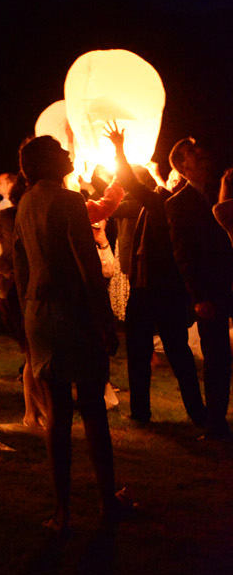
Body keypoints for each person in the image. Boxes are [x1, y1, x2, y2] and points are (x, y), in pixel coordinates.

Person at [13, 134, 131, 533]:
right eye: (61, 152)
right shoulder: (67, 202)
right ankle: (106, 500)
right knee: (94, 409)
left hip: (37, 313)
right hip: (72, 314)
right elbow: (87, 265)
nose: (69, 154)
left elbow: (20, 266)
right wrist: (105, 321)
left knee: (58, 413)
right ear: (48, 161)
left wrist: (26, 322)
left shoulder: (25, 203)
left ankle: (62, 510)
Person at [104, 126, 206, 428]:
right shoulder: (165, 200)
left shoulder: (177, 202)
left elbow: (136, 189)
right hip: (147, 287)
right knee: (145, 352)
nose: (171, 181)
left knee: (175, 353)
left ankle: (194, 411)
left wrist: (120, 152)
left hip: (162, 290)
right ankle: (144, 411)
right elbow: (133, 192)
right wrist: (119, 156)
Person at [165, 137, 233, 441]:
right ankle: (216, 423)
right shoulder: (178, 204)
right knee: (217, 359)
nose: (202, 153)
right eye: (193, 151)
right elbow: (184, 254)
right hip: (212, 292)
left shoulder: (223, 191)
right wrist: (199, 297)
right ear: (183, 165)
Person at [0, 171, 46, 432]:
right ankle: (36, 413)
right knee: (31, 351)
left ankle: (35, 413)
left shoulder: (35, 217)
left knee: (34, 351)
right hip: (10, 290)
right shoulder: (4, 217)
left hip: (33, 288)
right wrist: (6, 269)